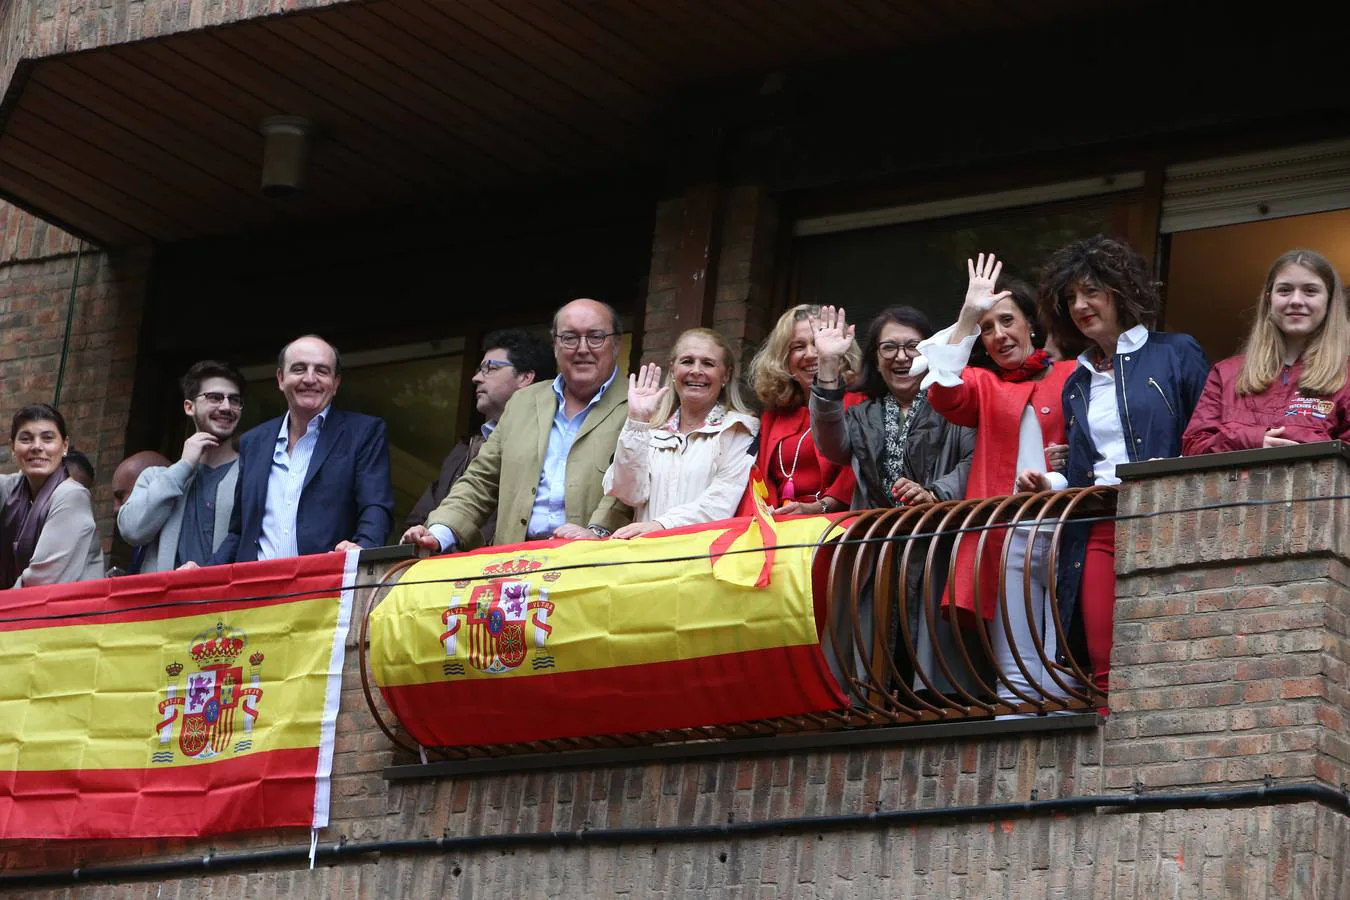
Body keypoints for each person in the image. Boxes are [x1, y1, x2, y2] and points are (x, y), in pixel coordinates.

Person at [1029, 234, 1209, 702]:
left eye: (1092, 291)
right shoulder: (1076, 380)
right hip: (1100, 521)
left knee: (1168, 643)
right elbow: (1086, 466)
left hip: (1164, 517)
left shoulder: (1176, 351)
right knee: (1101, 651)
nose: (1080, 305)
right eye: (1070, 298)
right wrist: (1049, 481)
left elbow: (1207, 437)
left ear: (1120, 291)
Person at [918, 254, 1077, 711]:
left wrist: (1067, 465)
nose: (998, 335)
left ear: (1032, 324)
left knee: (1068, 644)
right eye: (987, 328)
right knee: (1017, 659)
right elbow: (943, 391)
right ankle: (1019, 732)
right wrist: (967, 316)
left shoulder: (1074, 374)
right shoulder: (982, 384)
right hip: (1008, 533)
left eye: (1006, 321)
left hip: (1068, 523)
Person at [810, 304, 978, 698]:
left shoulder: (954, 404)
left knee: (935, 669)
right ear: (875, 358)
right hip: (875, 556)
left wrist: (937, 492)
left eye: (913, 346)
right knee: (872, 668)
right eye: (889, 348)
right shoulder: (862, 414)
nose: (901, 357)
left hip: (939, 549)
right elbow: (830, 445)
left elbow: (976, 457)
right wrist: (829, 365)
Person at [402, 298, 633, 552]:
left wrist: (596, 533)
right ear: (555, 345)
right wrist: (439, 533)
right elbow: (481, 480)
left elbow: (630, 487)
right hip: (513, 565)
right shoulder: (523, 402)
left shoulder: (640, 404)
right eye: (569, 338)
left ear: (616, 343)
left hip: (592, 564)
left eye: (596, 337)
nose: (582, 348)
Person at [200, 335, 394, 566]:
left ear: (336, 383)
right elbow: (240, 531)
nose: (310, 379)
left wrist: (362, 549)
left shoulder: (364, 433)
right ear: (281, 378)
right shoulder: (254, 442)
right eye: (299, 369)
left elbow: (376, 507)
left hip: (323, 588)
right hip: (255, 590)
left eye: (321, 371)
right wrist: (202, 571)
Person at [1183, 249, 1350, 454]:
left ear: (1329, 301)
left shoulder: (1346, 376)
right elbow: (1193, 446)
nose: (1296, 300)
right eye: (1285, 290)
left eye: (1310, 291)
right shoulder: (1226, 373)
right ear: (1269, 299)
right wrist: (1254, 440)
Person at [602, 328, 758, 538]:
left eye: (708, 363)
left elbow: (721, 502)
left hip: (701, 559)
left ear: (726, 375)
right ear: (673, 370)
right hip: (644, 556)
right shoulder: (650, 430)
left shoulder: (740, 429)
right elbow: (629, 494)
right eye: (687, 361)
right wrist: (637, 421)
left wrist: (661, 525)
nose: (696, 370)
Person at [402, 329, 555, 543]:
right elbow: (419, 518)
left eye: (490, 369)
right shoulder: (466, 447)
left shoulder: (551, 443)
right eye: (479, 369)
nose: (476, 378)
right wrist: (425, 536)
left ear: (525, 377)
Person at [117, 360, 245, 572]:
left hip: (227, 603)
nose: (226, 407)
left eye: (234, 400)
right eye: (214, 397)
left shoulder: (252, 475)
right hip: (164, 602)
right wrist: (183, 467)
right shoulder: (155, 477)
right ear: (189, 406)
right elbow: (132, 531)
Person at [745, 304, 860, 517]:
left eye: (819, 343)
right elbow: (762, 478)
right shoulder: (773, 416)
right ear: (784, 360)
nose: (810, 354)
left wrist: (821, 507)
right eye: (798, 347)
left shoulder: (859, 403)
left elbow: (860, 469)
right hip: (780, 528)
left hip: (835, 527)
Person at [0, 404, 104, 588]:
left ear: (64, 446)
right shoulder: (13, 488)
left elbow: (39, 583)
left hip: (63, 612)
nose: (37, 447)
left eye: (47, 438)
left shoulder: (72, 497)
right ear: (13, 448)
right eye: (26, 439)